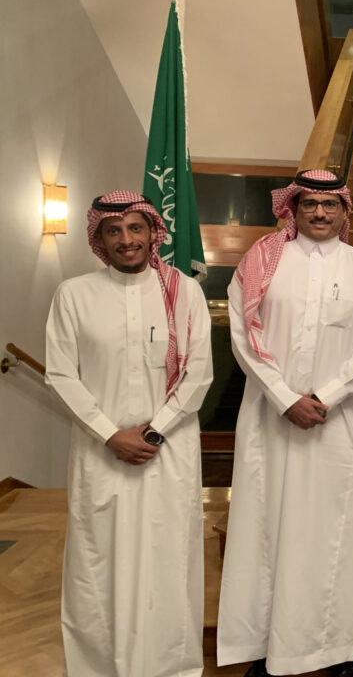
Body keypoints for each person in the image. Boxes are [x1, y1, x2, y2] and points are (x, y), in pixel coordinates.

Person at [217, 170, 353, 677]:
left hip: (340, 426)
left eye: (329, 205)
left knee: (335, 538)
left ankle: (334, 651)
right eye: (310, 204)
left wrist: (324, 397)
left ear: (345, 210)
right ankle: (264, 647)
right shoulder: (261, 264)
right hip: (271, 422)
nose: (319, 213)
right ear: (291, 209)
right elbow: (244, 341)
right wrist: (284, 397)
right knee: (265, 533)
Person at [45, 190, 213, 677]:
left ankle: (170, 666)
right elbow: (61, 374)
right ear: (99, 238)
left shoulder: (185, 291)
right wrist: (108, 434)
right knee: (98, 563)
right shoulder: (73, 294)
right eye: (113, 231)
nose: (126, 240)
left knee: (168, 557)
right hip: (100, 453)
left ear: (152, 233)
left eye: (135, 228)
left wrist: (155, 433)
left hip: (171, 450)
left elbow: (199, 373)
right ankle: (99, 667)